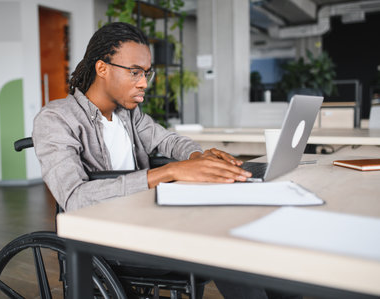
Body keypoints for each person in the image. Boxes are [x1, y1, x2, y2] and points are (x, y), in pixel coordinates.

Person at [33, 22, 300, 299]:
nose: (144, 83)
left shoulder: (129, 115)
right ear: (102, 68)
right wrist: (169, 172)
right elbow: (75, 198)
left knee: (243, 231)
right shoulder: (56, 119)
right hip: (106, 239)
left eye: (147, 73)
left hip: (145, 219)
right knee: (221, 243)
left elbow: (169, 140)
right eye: (134, 72)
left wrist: (198, 157)